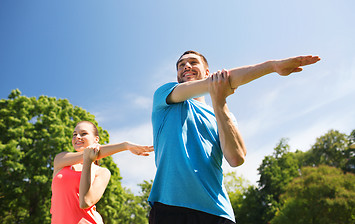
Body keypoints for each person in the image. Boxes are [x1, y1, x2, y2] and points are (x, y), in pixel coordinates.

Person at [148, 50, 321, 223]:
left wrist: (219, 101)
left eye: (193, 62)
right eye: (181, 65)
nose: (186, 66)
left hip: (218, 212)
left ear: (208, 72)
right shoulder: (165, 96)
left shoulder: (224, 115)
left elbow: (236, 158)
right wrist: (272, 66)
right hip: (170, 208)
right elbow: (225, 79)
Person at [51, 120, 154, 224]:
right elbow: (86, 154)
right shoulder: (61, 160)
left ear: (96, 139)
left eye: (83, 133)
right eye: (74, 134)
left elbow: (85, 202)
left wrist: (88, 161)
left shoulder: (102, 173)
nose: (77, 137)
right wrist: (125, 145)